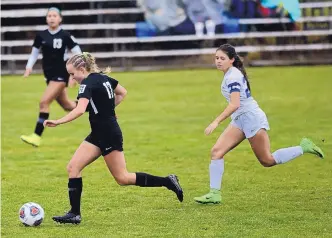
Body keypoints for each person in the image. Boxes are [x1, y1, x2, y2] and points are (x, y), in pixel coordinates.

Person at [43, 52, 183, 224]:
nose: (72, 78)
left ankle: (167, 181)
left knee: (123, 178)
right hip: (98, 133)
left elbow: (80, 109)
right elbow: (122, 92)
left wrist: (58, 121)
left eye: (72, 74)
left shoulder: (86, 83)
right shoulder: (104, 78)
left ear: (82, 69)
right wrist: (108, 110)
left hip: (108, 133)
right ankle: (74, 214)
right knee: (73, 167)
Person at [194, 44, 324, 204]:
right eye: (216, 58)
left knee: (267, 160)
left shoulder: (233, 77)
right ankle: (214, 194)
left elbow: (234, 104)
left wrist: (216, 121)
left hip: (251, 119)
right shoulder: (230, 74)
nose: (218, 61)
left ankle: (303, 147)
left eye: (222, 58)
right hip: (240, 119)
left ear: (232, 60)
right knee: (216, 152)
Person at [21, 7, 82, 147]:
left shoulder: (66, 35)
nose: (52, 18)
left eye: (54, 15)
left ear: (60, 18)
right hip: (49, 76)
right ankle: (90, 105)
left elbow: (78, 53)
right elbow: (34, 53)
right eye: (49, 16)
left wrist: (75, 74)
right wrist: (28, 67)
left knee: (44, 102)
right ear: (46, 18)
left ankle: (36, 136)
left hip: (60, 75)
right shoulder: (41, 36)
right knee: (68, 106)